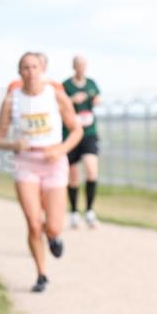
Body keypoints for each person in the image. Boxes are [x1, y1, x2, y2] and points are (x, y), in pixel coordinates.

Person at [0, 52, 83, 292]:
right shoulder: (11, 100)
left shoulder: (55, 95)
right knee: (34, 224)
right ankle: (41, 274)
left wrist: (61, 149)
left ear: (41, 70)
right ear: (19, 72)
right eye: (25, 67)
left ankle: (54, 236)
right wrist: (14, 144)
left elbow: (77, 130)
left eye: (34, 67)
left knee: (53, 226)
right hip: (25, 163)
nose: (30, 72)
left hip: (53, 162)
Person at [63, 55, 102, 228]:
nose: (81, 68)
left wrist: (96, 100)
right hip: (71, 133)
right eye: (78, 65)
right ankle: (73, 212)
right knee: (73, 177)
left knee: (92, 170)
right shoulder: (66, 85)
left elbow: (98, 98)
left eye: (84, 65)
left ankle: (90, 211)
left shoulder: (92, 83)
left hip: (89, 132)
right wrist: (72, 100)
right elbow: (59, 105)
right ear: (73, 67)